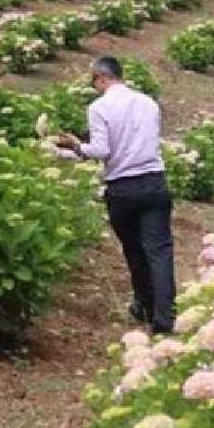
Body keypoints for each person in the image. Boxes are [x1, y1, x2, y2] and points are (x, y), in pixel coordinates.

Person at [56, 56, 175, 333]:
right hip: (153, 181)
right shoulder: (148, 103)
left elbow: (101, 151)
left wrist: (76, 146)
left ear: (101, 78)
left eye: (94, 81)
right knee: (159, 251)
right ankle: (164, 317)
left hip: (122, 186)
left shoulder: (99, 107)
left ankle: (143, 305)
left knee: (134, 250)